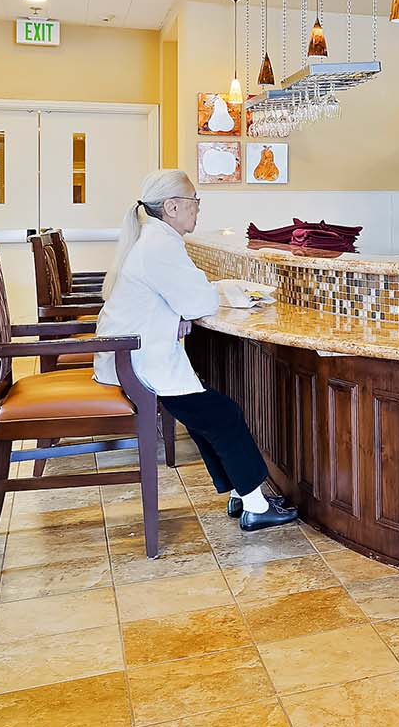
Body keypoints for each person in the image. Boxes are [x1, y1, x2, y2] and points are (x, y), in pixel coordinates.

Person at [94, 169, 297, 532]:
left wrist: (178, 312)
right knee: (223, 416)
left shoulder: (158, 240)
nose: (197, 210)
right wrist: (184, 310)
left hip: (138, 351)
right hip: (137, 359)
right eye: (194, 203)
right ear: (171, 207)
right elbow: (201, 302)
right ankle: (254, 504)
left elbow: (187, 301)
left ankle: (244, 494)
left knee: (211, 417)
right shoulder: (160, 245)